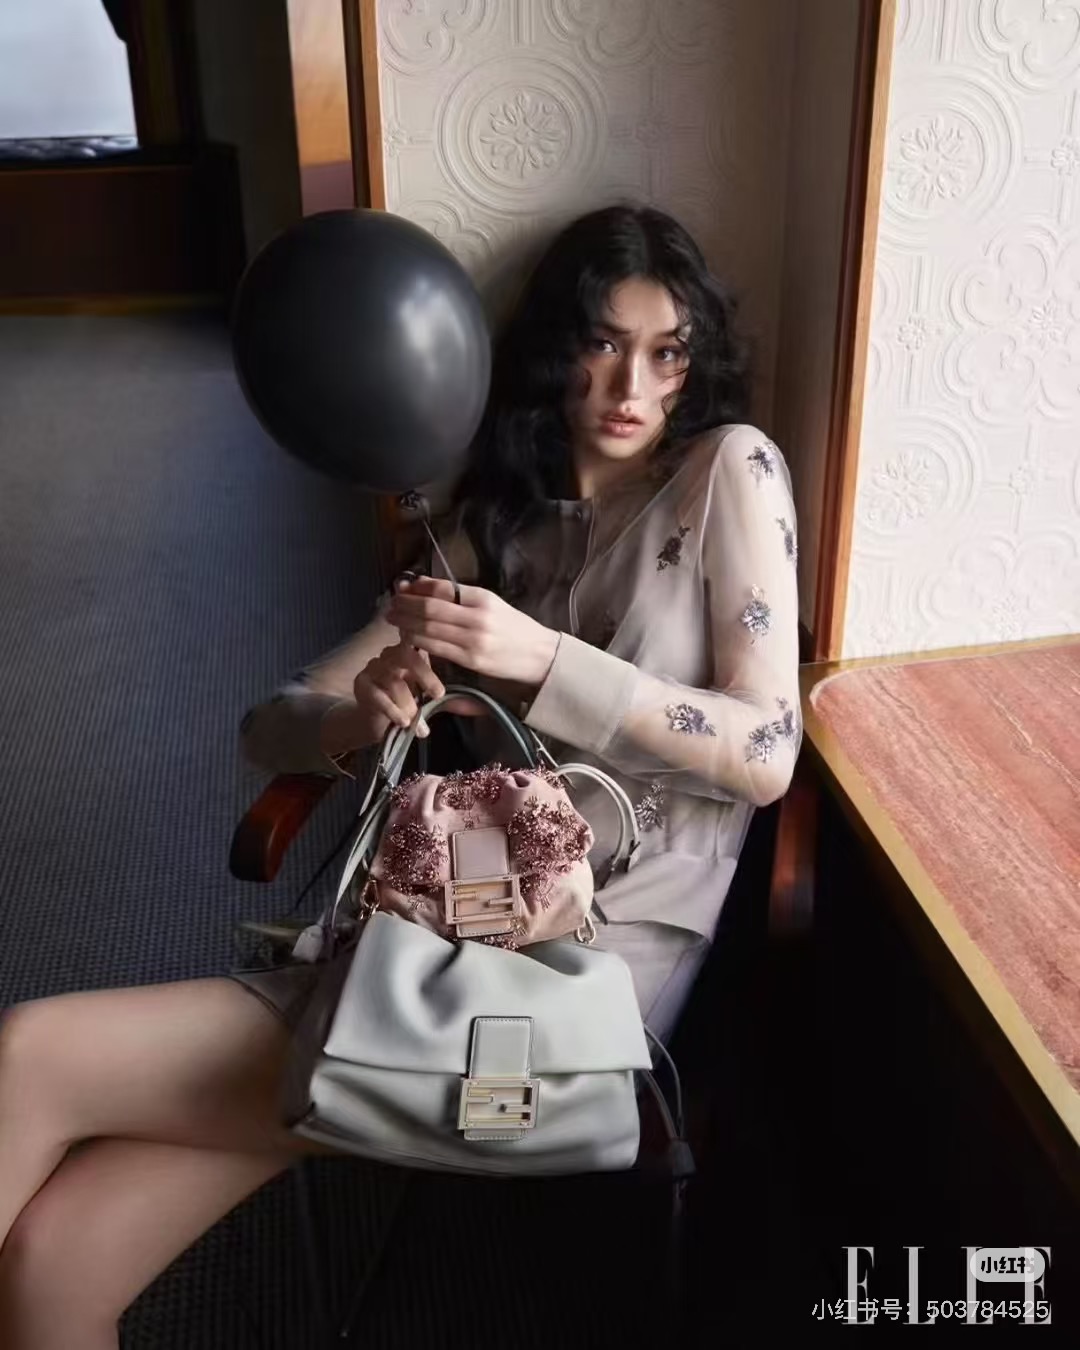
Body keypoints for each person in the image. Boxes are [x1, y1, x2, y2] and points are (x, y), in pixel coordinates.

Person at [0, 204, 800, 1347]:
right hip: (438, 948)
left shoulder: (729, 469)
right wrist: (356, 717)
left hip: (569, 1006)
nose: (634, 386)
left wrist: (546, 661)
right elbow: (271, 723)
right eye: (603, 343)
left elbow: (767, 752)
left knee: (27, 1055)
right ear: (553, 351)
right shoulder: (498, 533)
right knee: (58, 1257)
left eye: (667, 352)